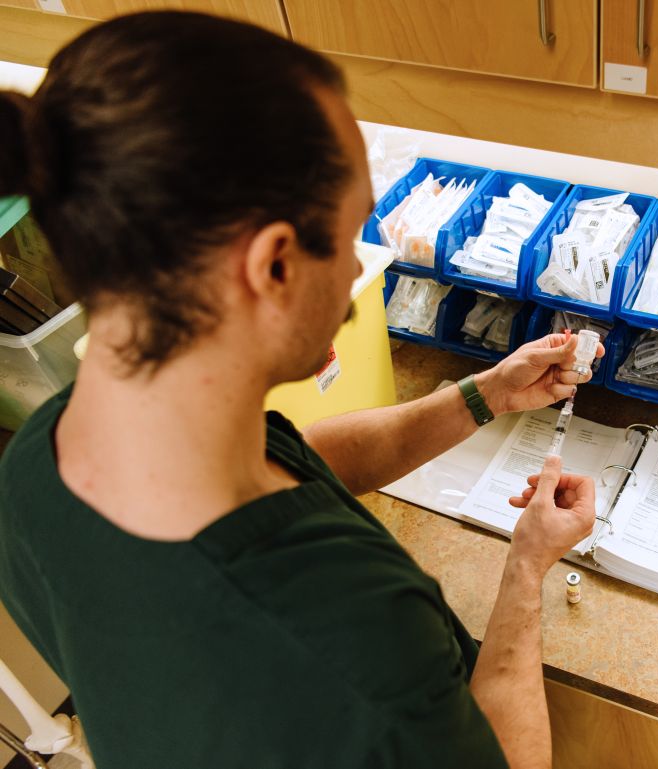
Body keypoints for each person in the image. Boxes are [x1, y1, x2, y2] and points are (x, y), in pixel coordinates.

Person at [0, 11, 600, 769]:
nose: (357, 268)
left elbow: (298, 463)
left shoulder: (38, 461)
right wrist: (525, 567)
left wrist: (482, 395)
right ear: (274, 265)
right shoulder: (353, 632)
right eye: (349, 234)